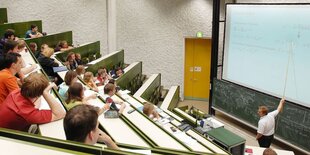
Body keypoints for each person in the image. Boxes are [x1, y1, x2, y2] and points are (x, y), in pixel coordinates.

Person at [0, 73, 65, 131]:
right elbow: (60, 113)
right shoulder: (27, 113)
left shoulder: (16, 92)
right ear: (39, 94)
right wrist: (45, 93)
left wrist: (40, 93)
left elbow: (33, 106)